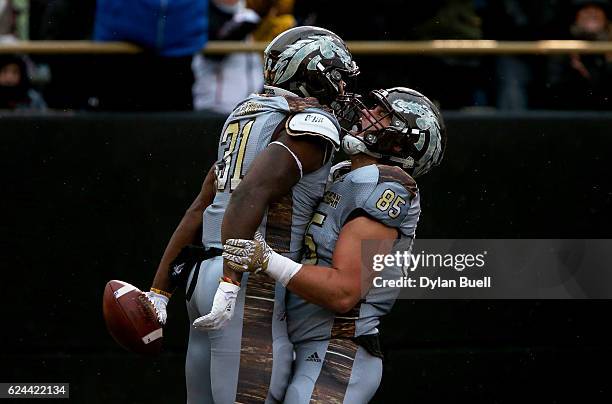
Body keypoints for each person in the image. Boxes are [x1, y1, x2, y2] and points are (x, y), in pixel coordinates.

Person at [144, 26, 359, 403]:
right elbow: (251, 192)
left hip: (202, 273)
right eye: (335, 78)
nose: (341, 90)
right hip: (247, 277)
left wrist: (160, 290)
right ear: (310, 74)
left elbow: (202, 204)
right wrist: (231, 280)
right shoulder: (310, 125)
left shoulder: (245, 113)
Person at [222, 87, 447, 403]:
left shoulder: (387, 185)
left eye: (383, 115)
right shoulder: (345, 174)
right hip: (304, 343)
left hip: (339, 350)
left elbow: (342, 293)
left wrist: (266, 259)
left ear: (400, 143)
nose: (367, 113)